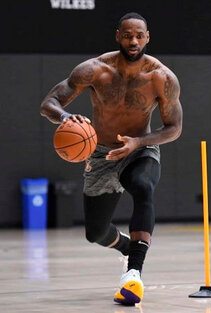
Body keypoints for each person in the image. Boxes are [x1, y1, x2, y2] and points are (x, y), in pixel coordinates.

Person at [40, 12, 183, 305]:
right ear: (118, 35)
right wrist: (67, 117)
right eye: (128, 35)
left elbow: (174, 128)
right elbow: (48, 104)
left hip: (139, 148)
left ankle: (134, 273)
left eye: (139, 36)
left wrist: (138, 142)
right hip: (100, 152)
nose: (133, 41)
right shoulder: (93, 69)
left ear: (147, 38)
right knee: (95, 233)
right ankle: (128, 247)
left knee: (143, 186)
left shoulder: (162, 78)